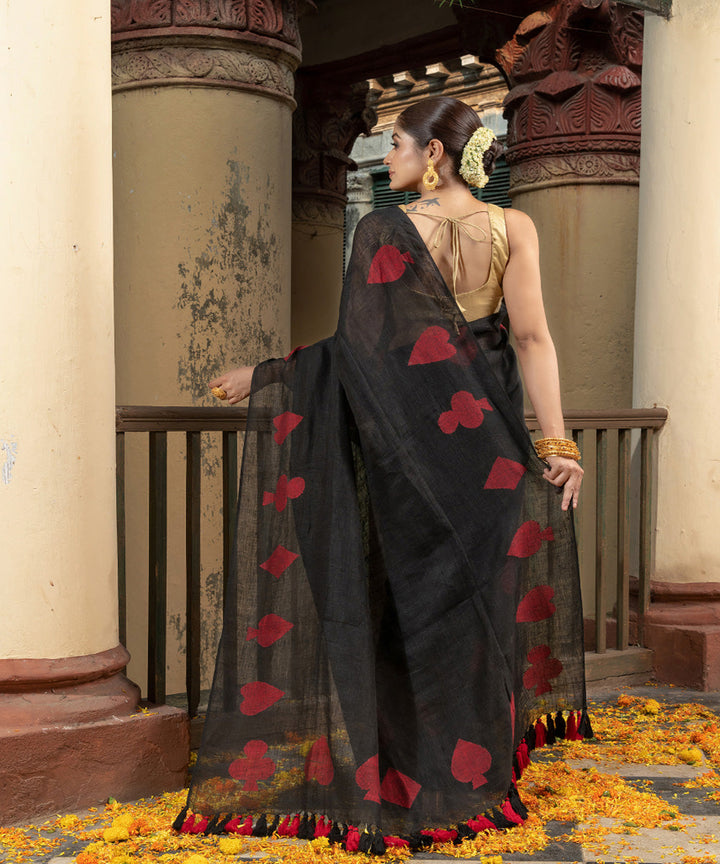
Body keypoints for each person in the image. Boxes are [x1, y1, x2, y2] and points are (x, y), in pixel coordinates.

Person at [178, 96, 588, 853]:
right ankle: (478, 776)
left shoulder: (383, 232)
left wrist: (272, 374)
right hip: (491, 457)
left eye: (397, 143)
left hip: (416, 459)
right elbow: (532, 340)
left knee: (403, 612)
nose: (390, 155)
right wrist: (558, 446)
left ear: (435, 153)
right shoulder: (513, 228)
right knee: (476, 616)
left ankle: (410, 774)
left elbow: (364, 354)